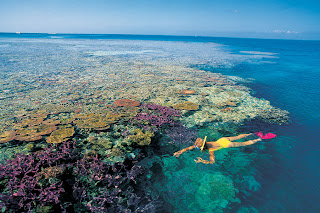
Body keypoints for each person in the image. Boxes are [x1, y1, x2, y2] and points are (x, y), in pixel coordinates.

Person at [173, 133, 267, 164]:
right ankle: (251, 134)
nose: (196, 148)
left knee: (244, 143)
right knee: (238, 137)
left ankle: (259, 139)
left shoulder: (211, 150)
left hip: (226, 145)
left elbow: (212, 161)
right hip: (222, 140)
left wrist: (202, 161)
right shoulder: (207, 144)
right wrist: (180, 152)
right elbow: (189, 148)